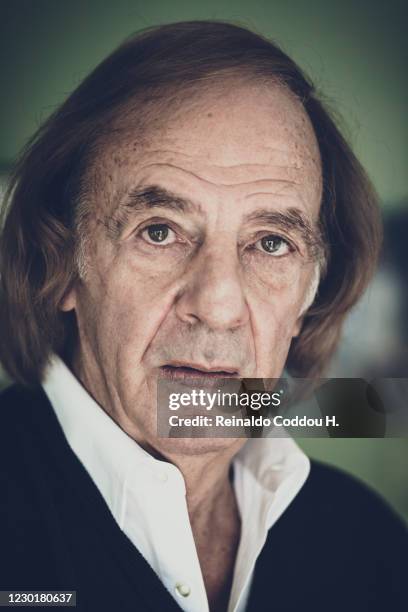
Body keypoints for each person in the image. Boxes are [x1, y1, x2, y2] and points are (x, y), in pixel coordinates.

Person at [0, 20, 406, 612]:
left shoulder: (371, 546)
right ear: (64, 263)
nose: (217, 307)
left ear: (306, 296)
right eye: (159, 232)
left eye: (271, 243)